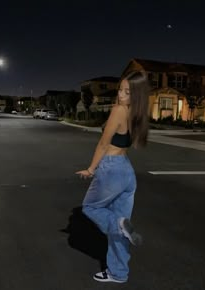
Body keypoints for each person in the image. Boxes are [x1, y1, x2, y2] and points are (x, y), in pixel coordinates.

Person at [75, 70, 150, 283]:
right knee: (122, 227)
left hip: (112, 168)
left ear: (136, 95)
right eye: (120, 89)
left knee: (91, 208)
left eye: (128, 92)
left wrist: (91, 169)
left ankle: (118, 225)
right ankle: (118, 273)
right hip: (127, 172)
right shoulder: (136, 112)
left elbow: (103, 143)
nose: (121, 95)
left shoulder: (118, 110)